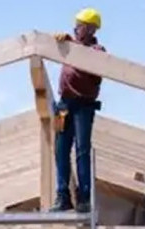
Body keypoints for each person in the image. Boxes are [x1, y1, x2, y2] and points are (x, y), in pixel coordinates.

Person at [50, 7, 106, 213]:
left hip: (84, 105)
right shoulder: (69, 45)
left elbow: (94, 68)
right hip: (64, 105)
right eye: (75, 25)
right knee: (60, 149)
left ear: (91, 30)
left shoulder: (97, 51)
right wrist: (62, 42)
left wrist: (71, 44)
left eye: (80, 26)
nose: (75, 29)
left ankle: (84, 198)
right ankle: (62, 196)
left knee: (82, 150)